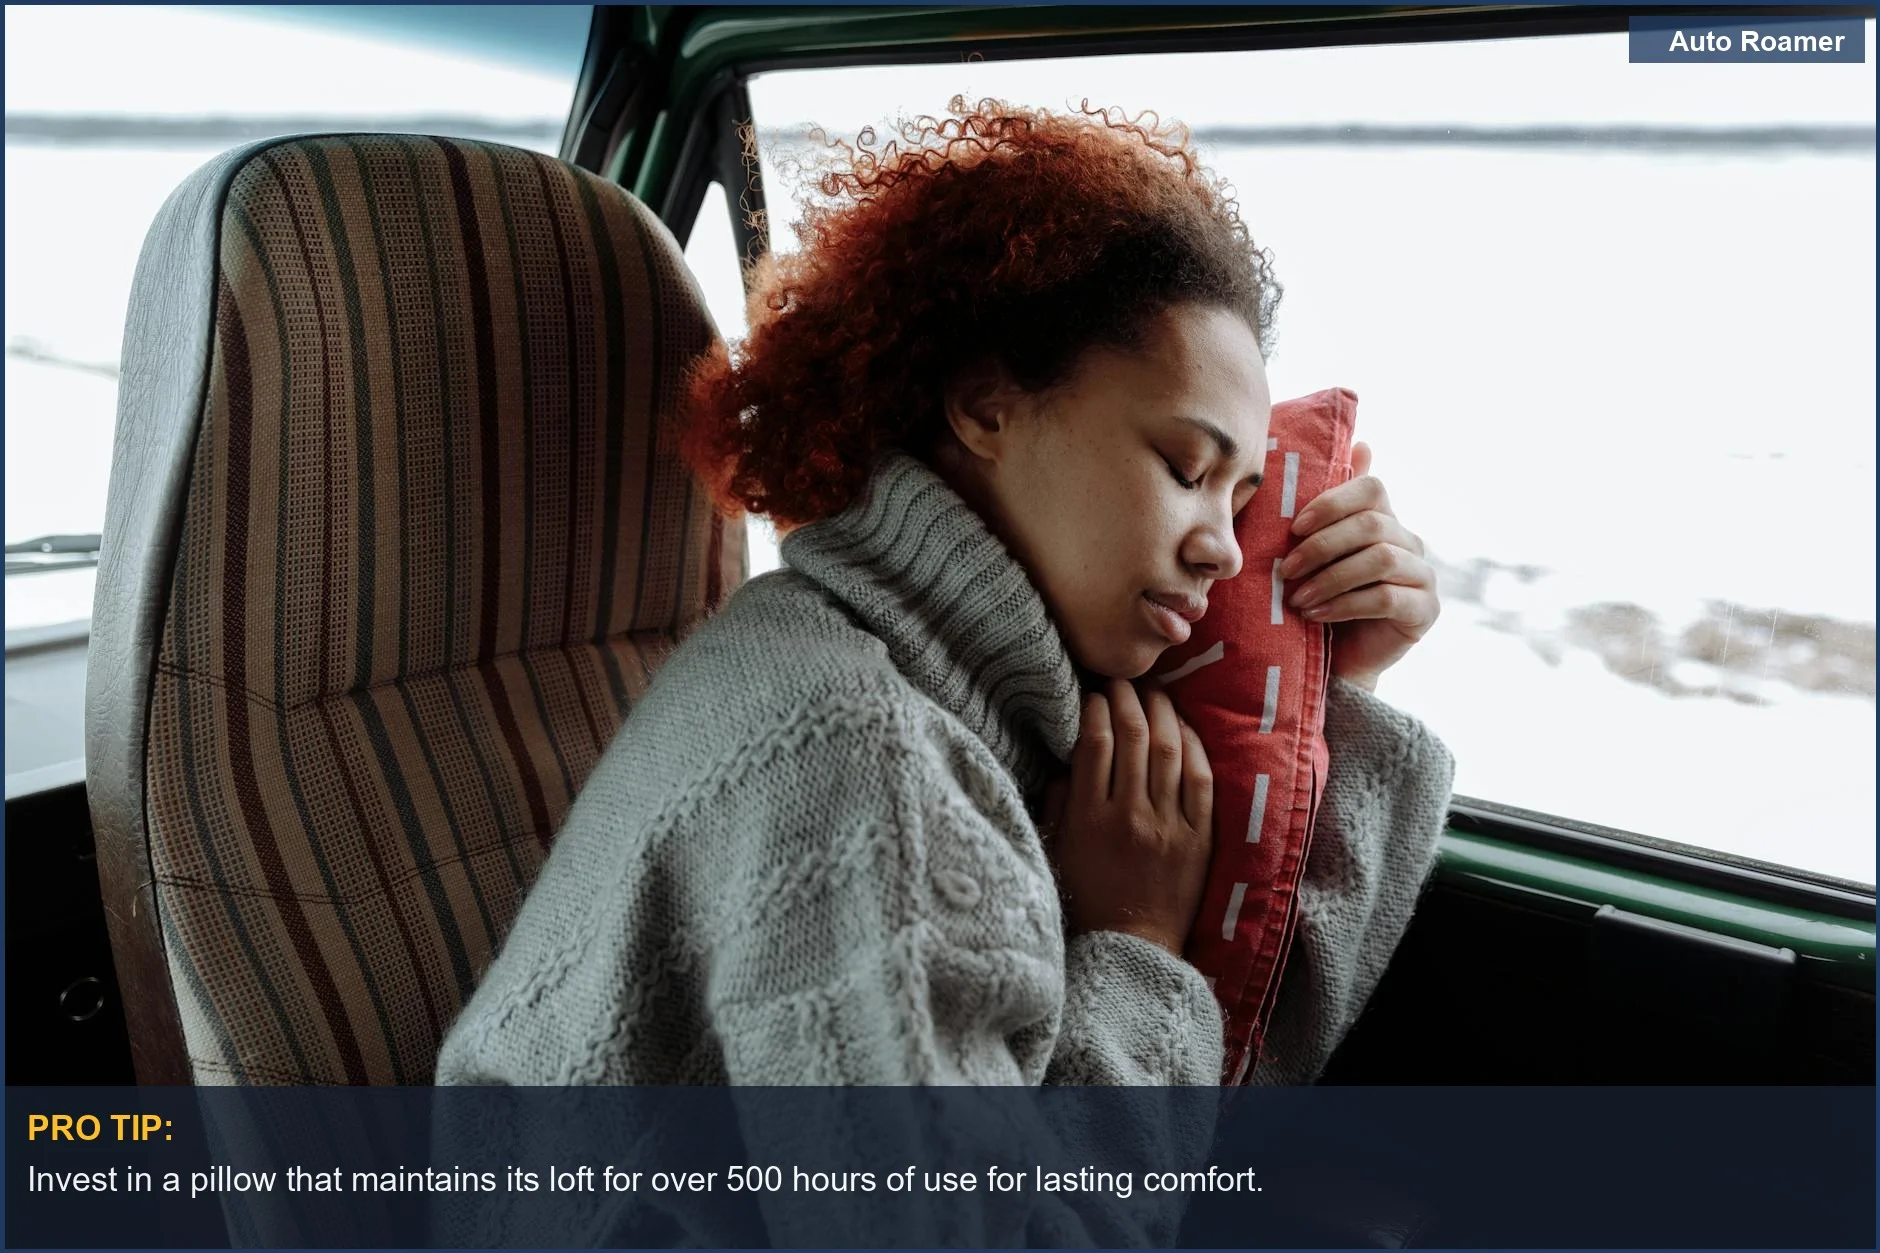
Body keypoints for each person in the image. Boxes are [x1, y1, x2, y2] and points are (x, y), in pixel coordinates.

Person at [436, 98, 1454, 1093]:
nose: (1224, 552)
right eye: (1187, 468)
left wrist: (1334, 672)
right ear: (984, 406)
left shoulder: (971, 692)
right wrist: (1138, 940)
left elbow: (1239, 1090)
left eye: (1240, 500)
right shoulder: (855, 747)